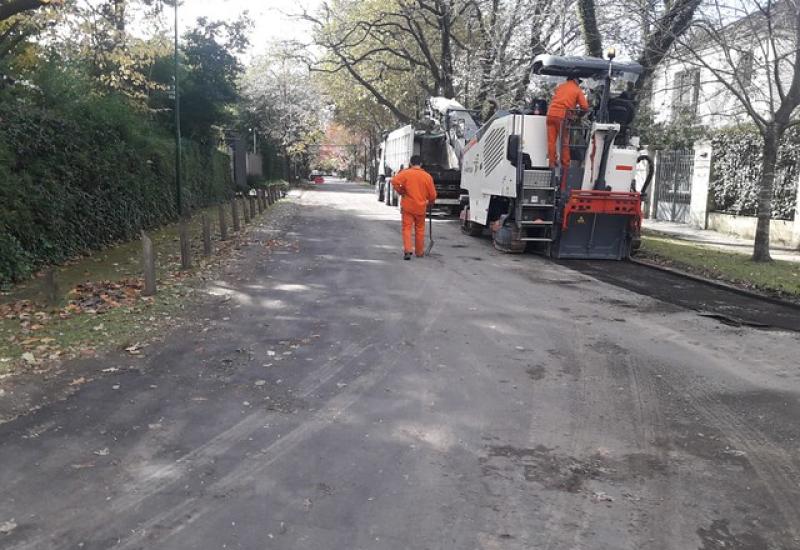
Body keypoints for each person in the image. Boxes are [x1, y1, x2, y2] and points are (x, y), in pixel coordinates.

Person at [391, 155, 437, 260]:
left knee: (407, 228)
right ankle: (419, 252)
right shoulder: (427, 176)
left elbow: (394, 181)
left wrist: (401, 191)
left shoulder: (406, 173)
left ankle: (408, 250)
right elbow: (433, 194)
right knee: (420, 229)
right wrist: (431, 202)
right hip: (421, 207)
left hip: (407, 207)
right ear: (421, 164)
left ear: (411, 163)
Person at [546, 76, 589, 172]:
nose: (579, 83)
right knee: (564, 142)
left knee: (551, 141)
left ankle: (552, 162)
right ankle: (565, 166)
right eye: (579, 82)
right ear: (575, 80)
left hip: (550, 114)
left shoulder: (560, 87)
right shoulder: (577, 90)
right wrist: (579, 116)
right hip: (562, 116)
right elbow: (585, 107)